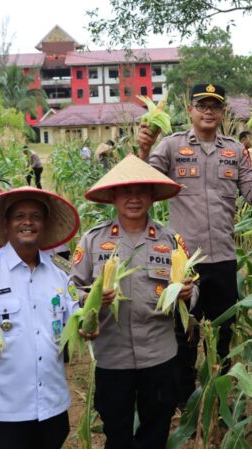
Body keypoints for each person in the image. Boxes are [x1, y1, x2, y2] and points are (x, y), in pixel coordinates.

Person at [136, 83, 252, 406]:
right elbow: (143, 186)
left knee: (224, 335)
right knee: (184, 334)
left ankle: (221, 397)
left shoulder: (236, 151)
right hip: (185, 263)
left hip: (224, 258)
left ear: (223, 112)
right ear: (190, 110)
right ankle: (185, 401)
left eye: (215, 106)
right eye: (202, 105)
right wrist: (144, 151)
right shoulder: (171, 147)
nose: (208, 111)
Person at [71, 155, 199, 449]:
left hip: (159, 355)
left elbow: (194, 285)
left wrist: (190, 293)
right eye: (126, 191)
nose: (134, 198)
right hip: (112, 357)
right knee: (117, 434)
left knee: (155, 431)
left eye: (141, 191)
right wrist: (90, 300)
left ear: (152, 197)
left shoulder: (171, 241)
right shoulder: (93, 241)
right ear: (113, 196)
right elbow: (70, 289)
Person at [0, 187, 80, 449]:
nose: (28, 222)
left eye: (36, 216)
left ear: (45, 225)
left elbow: (77, 317)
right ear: (6, 225)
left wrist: (90, 319)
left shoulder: (61, 272)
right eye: (19, 216)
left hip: (51, 402)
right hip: (2, 408)